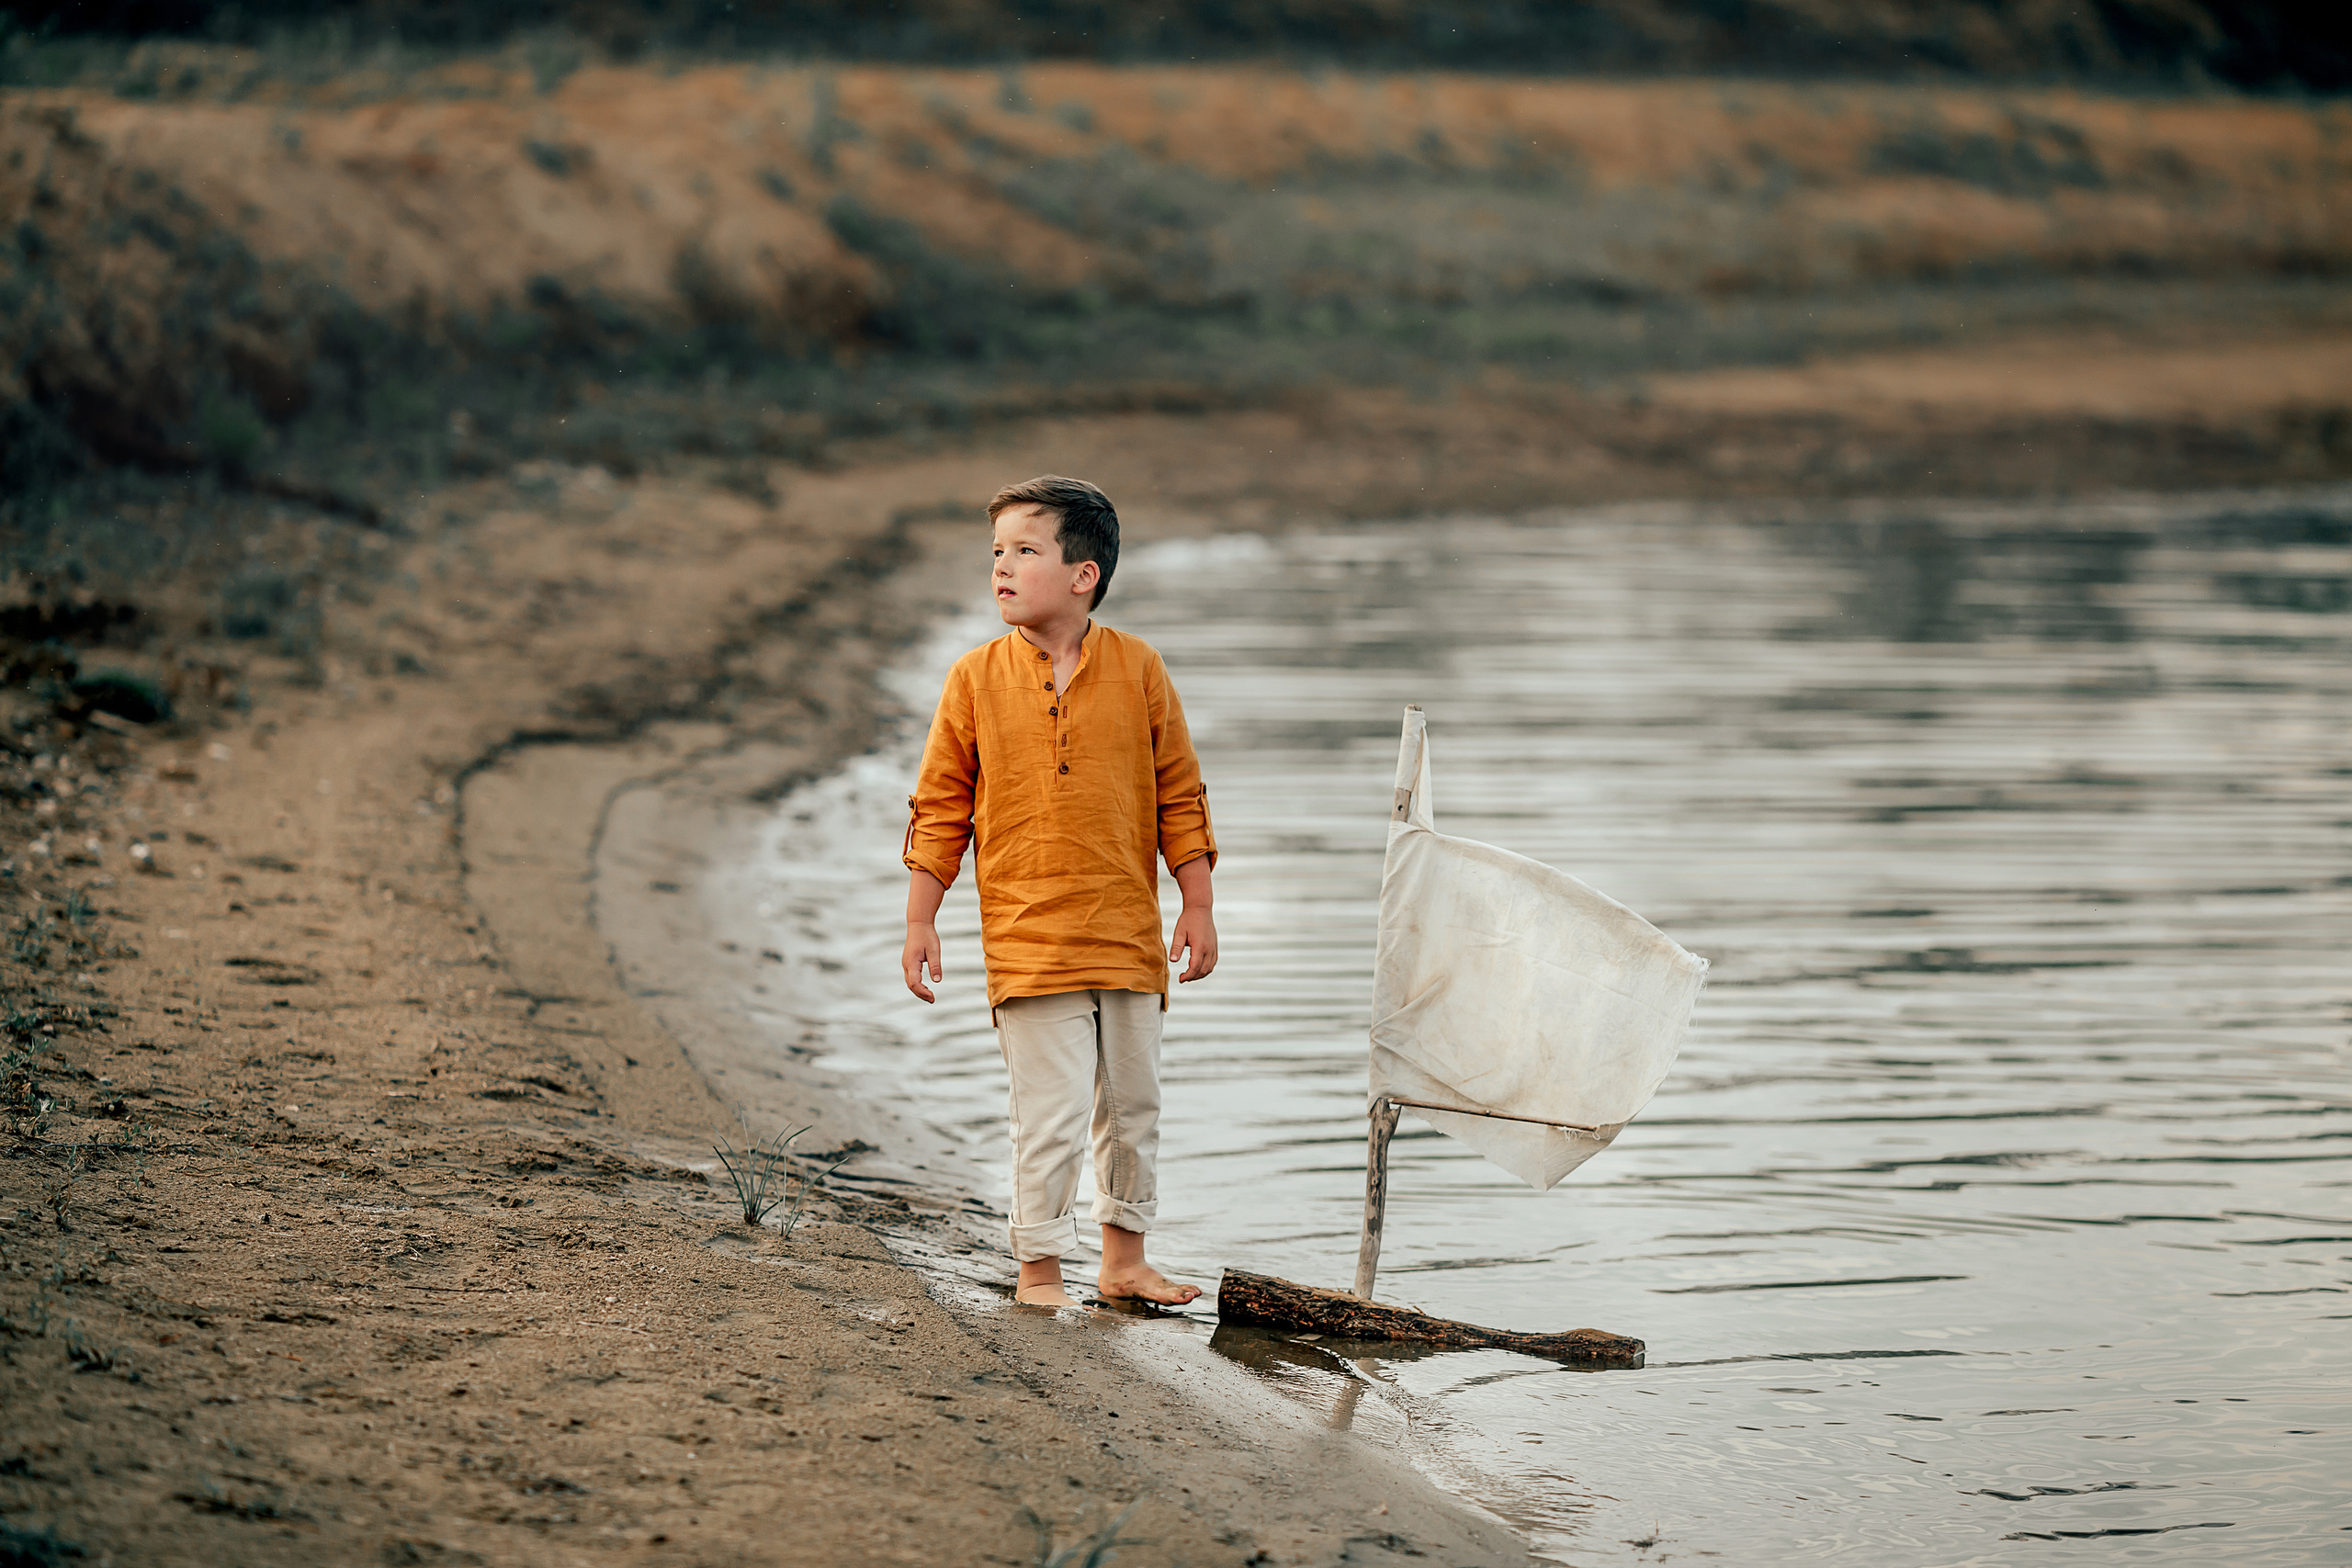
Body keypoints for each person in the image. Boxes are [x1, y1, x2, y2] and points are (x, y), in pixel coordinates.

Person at [900, 475, 1216, 1308]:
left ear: (1084, 575)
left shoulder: (1139, 668)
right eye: (995, 551)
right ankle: (1039, 1268)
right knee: (1051, 1111)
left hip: (1128, 935)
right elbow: (940, 808)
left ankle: (1124, 1260)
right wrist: (921, 920)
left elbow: (1180, 793)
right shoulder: (974, 678)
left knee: (1134, 1105)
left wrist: (1198, 903)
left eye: (1024, 550)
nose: (1001, 567)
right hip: (1029, 935)